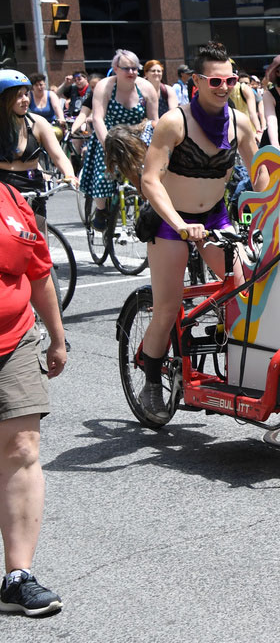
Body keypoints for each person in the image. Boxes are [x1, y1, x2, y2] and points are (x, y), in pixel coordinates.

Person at [138, 41, 263, 418]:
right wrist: (179, 224)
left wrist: (272, 210)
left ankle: (236, 367)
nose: (224, 86)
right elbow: (150, 180)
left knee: (245, 291)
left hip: (215, 217)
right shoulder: (174, 122)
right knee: (168, 307)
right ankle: (151, 379)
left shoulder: (240, 122)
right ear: (196, 81)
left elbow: (260, 173)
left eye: (231, 79)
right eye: (215, 80)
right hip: (170, 221)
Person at [0, 163, 66, 617]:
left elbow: (38, 269)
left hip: (14, 337)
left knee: (22, 447)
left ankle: (17, 577)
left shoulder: (11, 199)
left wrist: (58, 338)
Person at [79, 50, 157, 230]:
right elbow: (98, 118)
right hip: (109, 135)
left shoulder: (146, 88)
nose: (131, 72)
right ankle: (100, 209)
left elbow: (154, 120)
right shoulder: (105, 86)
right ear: (115, 68)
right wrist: (107, 144)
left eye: (134, 69)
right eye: (126, 69)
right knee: (105, 173)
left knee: (149, 174)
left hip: (136, 138)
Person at [0, 72, 77, 225]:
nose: (25, 100)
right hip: (3, 186)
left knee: (39, 234)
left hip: (31, 184)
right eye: (18, 96)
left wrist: (70, 175)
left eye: (26, 94)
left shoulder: (38, 123)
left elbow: (58, 156)